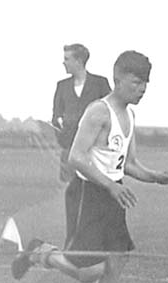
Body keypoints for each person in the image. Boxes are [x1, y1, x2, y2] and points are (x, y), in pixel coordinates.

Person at [12, 51, 168, 283]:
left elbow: (128, 164)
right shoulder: (98, 111)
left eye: (145, 84)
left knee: (119, 256)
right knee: (87, 271)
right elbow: (76, 158)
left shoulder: (129, 114)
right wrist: (109, 186)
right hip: (87, 192)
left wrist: (157, 177)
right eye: (135, 82)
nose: (141, 89)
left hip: (113, 193)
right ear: (117, 80)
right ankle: (40, 252)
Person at [51, 43, 111, 249]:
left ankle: (95, 242)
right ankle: (72, 242)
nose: (63, 62)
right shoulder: (61, 86)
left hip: (95, 152)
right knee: (73, 196)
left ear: (79, 61)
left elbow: (110, 113)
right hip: (70, 151)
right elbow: (55, 118)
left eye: (67, 58)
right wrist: (63, 138)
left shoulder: (100, 84)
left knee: (96, 195)